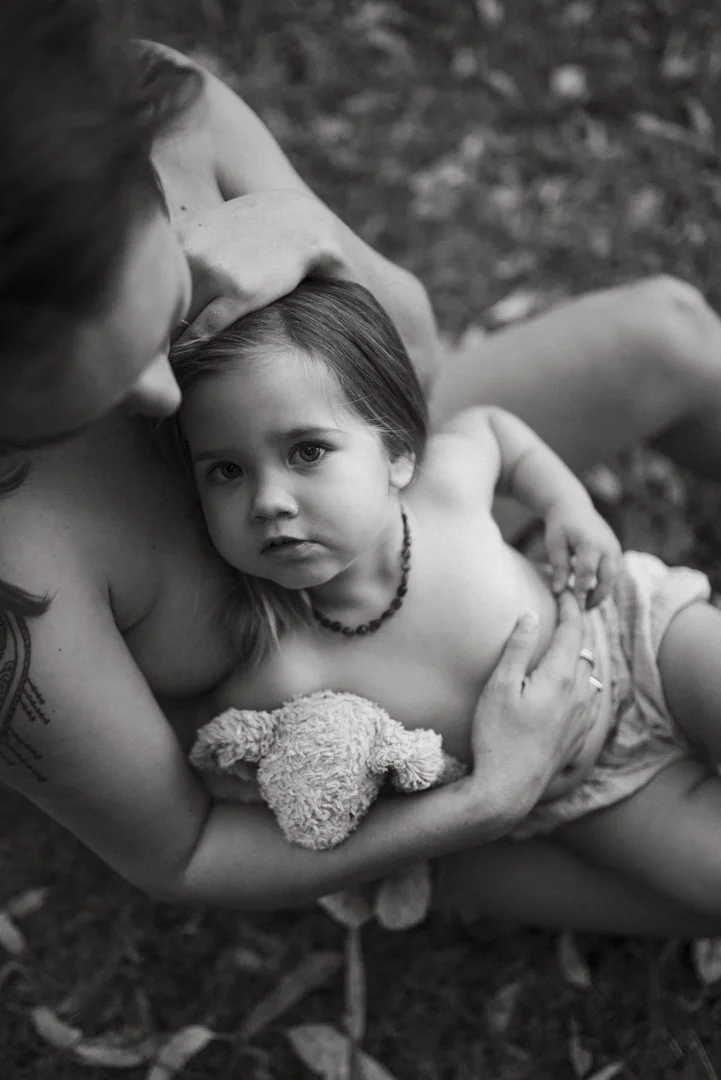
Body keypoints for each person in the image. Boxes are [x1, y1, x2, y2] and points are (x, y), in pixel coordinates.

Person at [3, 0, 721, 935]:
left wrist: (306, 230)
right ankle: (461, 869)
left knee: (667, 331)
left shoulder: (157, 117)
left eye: (166, 313)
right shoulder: (16, 563)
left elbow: (412, 372)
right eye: (92, 393)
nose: (167, 392)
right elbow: (178, 851)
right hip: (404, 761)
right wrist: (484, 802)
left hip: (414, 528)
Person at [170, 276, 721, 920]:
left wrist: (565, 505)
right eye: (226, 472)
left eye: (307, 450)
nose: (268, 501)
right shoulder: (286, 671)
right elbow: (259, 784)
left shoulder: (444, 490)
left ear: (397, 454)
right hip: (595, 790)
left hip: (634, 635)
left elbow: (497, 432)